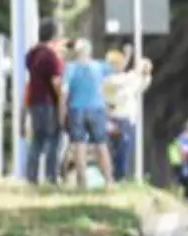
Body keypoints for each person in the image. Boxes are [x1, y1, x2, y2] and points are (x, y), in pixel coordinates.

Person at [63, 40, 114, 189]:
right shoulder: (99, 67)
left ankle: (82, 182)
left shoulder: (70, 68)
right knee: (101, 144)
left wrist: (62, 110)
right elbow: (118, 68)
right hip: (97, 108)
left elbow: (64, 91)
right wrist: (128, 55)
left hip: (76, 108)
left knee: (79, 145)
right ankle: (109, 180)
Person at [23, 21, 65, 185]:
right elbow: (56, 82)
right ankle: (51, 176)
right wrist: (62, 101)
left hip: (34, 101)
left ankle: (31, 176)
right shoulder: (51, 56)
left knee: (37, 139)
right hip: (49, 102)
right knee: (53, 139)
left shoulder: (32, 54)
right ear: (53, 36)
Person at [104, 48, 151, 182]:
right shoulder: (108, 80)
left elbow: (139, 86)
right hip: (115, 119)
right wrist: (137, 69)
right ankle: (114, 176)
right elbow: (125, 81)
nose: (120, 65)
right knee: (117, 148)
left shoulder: (125, 79)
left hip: (127, 120)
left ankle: (120, 176)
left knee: (125, 149)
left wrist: (145, 74)